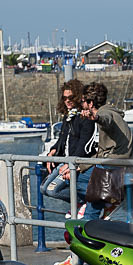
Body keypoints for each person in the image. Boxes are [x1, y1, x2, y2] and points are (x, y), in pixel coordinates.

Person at [54, 82, 133, 265]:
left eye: (83, 101)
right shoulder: (111, 112)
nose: (80, 104)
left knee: (89, 213)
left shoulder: (108, 114)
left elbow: (105, 119)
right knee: (72, 184)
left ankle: (78, 259)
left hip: (111, 170)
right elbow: (100, 152)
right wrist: (77, 167)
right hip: (110, 168)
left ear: (90, 103)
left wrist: (94, 117)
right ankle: (105, 202)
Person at [41, 79, 97, 213]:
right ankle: (82, 202)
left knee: (52, 190)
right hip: (63, 160)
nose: (67, 101)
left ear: (78, 97)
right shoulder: (68, 116)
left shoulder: (84, 117)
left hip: (73, 162)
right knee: (43, 189)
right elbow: (62, 138)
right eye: (65, 98)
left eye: (71, 97)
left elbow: (84, 144)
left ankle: (88, 202)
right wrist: (53, 150)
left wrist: (71, 164)